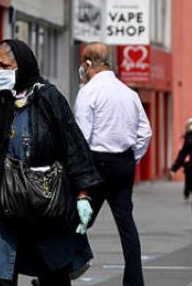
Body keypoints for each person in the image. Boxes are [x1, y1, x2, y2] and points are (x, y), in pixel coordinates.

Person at [0, 40, 102, 285]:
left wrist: (83, 195)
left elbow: (73, 145)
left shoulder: (47, 98)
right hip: (4, 206)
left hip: (45, 204)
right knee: (1, 276)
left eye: (5, 65)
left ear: (22, 66)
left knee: (53, 272)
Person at [75, 42, 152, 286]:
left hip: (97, 162)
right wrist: (133, 157)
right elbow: (145, 132)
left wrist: (79, 175)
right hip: (123, 164)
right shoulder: (129, 93)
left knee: (78, 220)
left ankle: (58, 272)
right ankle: (134, 281)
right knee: (126, 223)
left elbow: (81, 137)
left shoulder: (88, 92)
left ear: (88, 64)